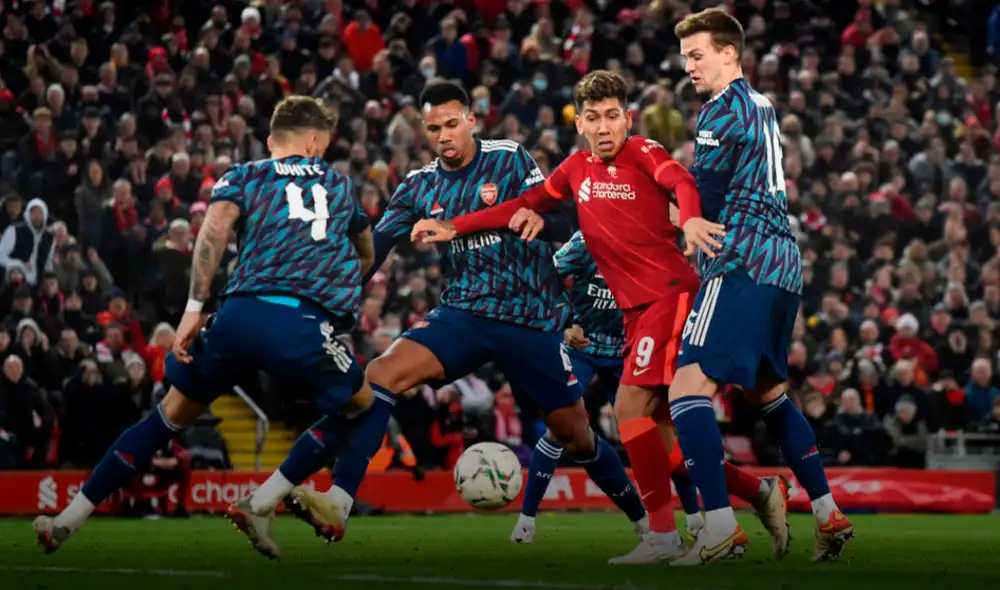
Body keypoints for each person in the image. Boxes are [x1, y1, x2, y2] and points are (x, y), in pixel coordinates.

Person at [410, 70, 788, 564]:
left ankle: (669, 534)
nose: (605, 126)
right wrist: (453, 226)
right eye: (594, 118)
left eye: (613, 116)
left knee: (628, 409)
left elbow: (680, 179)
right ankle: (758, 493)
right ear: (580, 124)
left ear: (627, 119)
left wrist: (691, 216)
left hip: (669, 297)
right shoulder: (574, 169)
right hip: (636, 313)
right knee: (663, 440)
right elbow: (524, 203)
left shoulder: (643, 151)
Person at [283, 81, 651, 546]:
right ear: (425, 130)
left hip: (529, 319)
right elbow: (373, 251)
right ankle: (339, 501)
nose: (444, 136)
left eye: (452, 124)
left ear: (471, 120)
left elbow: (565, 218)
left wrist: (541, 222)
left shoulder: (510, 158)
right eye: (435, 128)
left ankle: (645, 525)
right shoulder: (419, 186)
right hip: (464, 312)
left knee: (576, 437)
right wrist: (328, 297)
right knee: (381, 375)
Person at [32, 96, 376, 560]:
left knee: (166, 418)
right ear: (314, 141)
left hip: (236, 316)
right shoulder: (338, 184)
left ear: (272, 141)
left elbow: (214, 228)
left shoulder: (244, 175)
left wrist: (194, 308)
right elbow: (366, 251)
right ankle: (263, 501)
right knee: (364, 407)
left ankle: (66, 520)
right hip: (299, 322)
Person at [666, 8, 853, 565]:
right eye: (685, 58)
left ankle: (720, 528)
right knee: (768, 394)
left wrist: (675, 218)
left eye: (697, 55)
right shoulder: (763, 104)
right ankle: (827, 511)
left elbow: (704, 199)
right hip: (783, 262)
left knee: (685, 391)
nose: (689, 67)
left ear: (729, 53)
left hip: (740, 259)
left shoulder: (716, 114)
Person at [514, 230, 789, 557]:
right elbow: (544, 277)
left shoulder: (661, 239)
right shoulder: (589, 239)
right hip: (585, 346)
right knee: (562, 423)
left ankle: (703, 517)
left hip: (633, 346)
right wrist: (563, 321)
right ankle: (527, 520)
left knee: (667, 443)